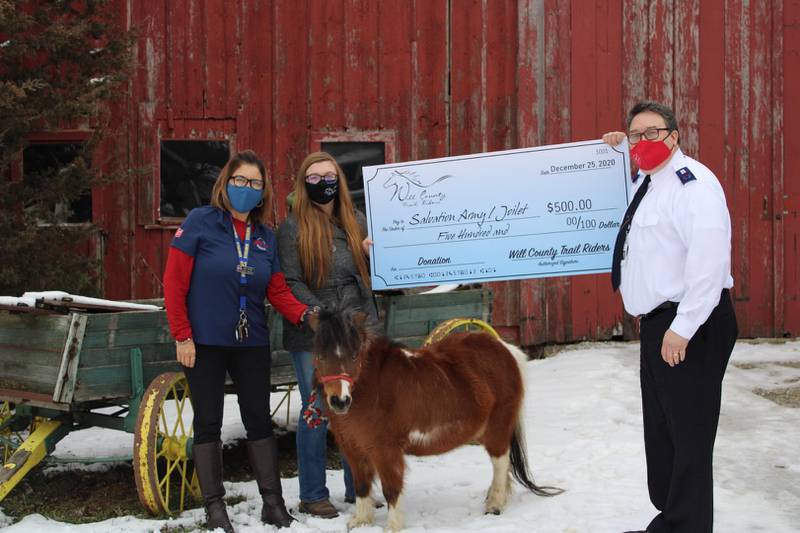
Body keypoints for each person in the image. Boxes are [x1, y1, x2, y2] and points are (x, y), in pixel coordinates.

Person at [603, 101, 738, 533]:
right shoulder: (648, 181)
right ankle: (674, 518)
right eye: (635, 134)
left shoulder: (691, 184)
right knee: (663, 432)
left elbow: (709, 262)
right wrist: (615, 151)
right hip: (660, 324)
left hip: (692, 321)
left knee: (689, 434)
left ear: (674, 136)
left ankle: (687, 526)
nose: (643, 141)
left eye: (652, 133)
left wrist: (683, 327)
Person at [164, 150, 314, 532]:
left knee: (259, 420)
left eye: (255, 183)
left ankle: (273, 503)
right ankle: (215, 508)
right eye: (240, 181)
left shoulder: (265, 237)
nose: (247, 189)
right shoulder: (201, 222)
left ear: (263, 193)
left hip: (252, 341)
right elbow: (174, 284)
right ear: (226, 184)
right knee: (209, 421)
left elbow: (277, 290)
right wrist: (182, 335)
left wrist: (305, 315)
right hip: (205, 342)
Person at [276, 151, 377, 518]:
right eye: (314, 178)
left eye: (329, 176)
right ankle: (313, 493)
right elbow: (291, 280)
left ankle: (358, 488)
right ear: (304, 184)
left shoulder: (357, 221)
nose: (322, 183)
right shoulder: (292, 227)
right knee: (316, 410)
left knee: (356, 407)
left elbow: (374, 276)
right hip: (315, 330)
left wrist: (372, 255)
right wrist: (320, 315)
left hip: (355, 329)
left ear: (340, 180)